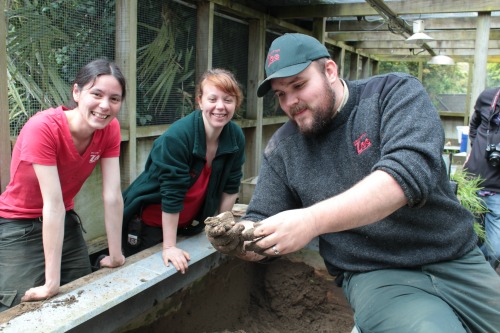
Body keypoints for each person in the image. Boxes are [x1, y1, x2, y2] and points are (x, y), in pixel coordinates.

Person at [206, 33, 500, 332]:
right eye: (281, 94)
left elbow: (408, 174)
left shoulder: (392, 93)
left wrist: (311, 220)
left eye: (299, 85)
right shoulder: (283, 149)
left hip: (456, 258)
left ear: (330, 71)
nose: (291, 102)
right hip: (375, 272)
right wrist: (240, 238)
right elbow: (261, 220)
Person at [0, 58, 127, 312]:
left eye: (114, 99)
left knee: (83, 294)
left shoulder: (110, 129)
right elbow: (53, 204)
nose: (105, 106)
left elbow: (112, 194)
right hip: (18, 225)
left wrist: (115, 255)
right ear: (77, 92)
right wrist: (51, 283)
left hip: (64, 223)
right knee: (17, 308)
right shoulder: (43, 127)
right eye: (97, 94)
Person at [122, 68, 245, 274]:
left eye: (228, 100)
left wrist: (223, 227)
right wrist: (169, 247)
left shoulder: (235, 136)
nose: (220, 107)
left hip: (187, 224)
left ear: (236, 103)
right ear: (200, 101)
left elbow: (231, 185)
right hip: (149, 223)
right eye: (212, 99)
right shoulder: (178, 137)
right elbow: (173, 192)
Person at [464, 87, 500, 271]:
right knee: (469, 242)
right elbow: (474, 125)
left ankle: (486, 278)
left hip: (498, 191)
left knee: (496, 250)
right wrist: (477, 147)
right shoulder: (487, 97)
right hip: (472, 184)